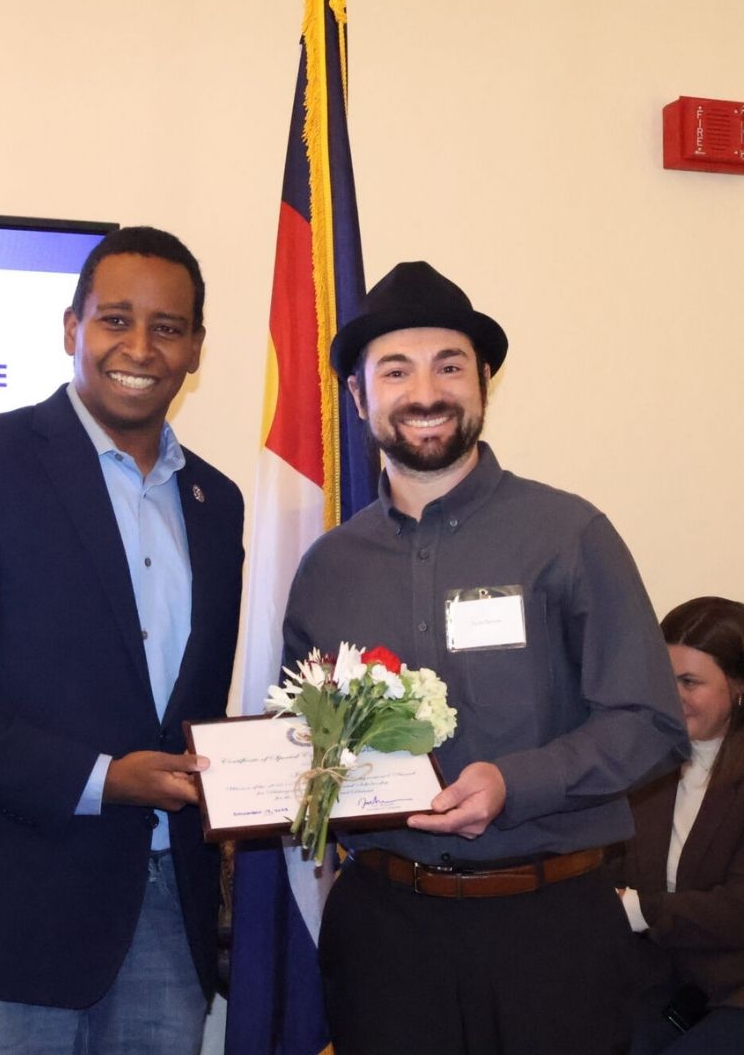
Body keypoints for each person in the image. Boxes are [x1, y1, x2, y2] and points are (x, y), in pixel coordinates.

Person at [280, 261, 690, 1055]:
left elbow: (649, 720)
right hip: (384, 934)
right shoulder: (327, 569)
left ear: (485, 382)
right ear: (361, 398)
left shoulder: (569, 535)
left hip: (551, 930)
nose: (425, 391)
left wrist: (514, 782)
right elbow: (303, 738)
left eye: (450, 365)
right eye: (395, 371)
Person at [0, 226, 244, 1054]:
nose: (139, 347)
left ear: (195, 351)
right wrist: (103, 780)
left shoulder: (218, 504)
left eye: (168, 327)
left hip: (163, 915)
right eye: (115, 319)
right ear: (71, 327)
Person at [619, 597, 744, 1054]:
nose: (671, 694)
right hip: (672, 984)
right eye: (665, 677)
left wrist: (639, 909)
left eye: (690, 682)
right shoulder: (647, 758)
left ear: (740, 685)